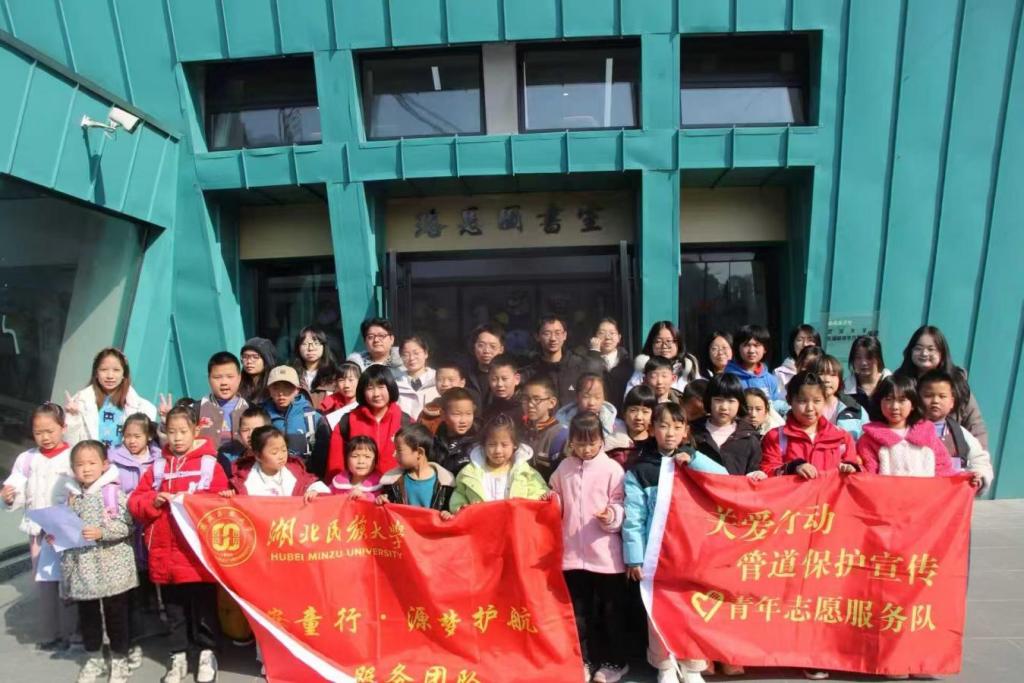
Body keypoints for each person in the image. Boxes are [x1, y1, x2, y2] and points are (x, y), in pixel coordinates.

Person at [623, 403, 725, 683]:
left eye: (677, 427)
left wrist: (694, 458)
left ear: (686, 431)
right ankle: (665, 665)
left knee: (692, 610)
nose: (670, 433)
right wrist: (634, 557)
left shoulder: (694, 462)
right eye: (663, 426)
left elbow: (725, 479)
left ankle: (692, 666)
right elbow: (634, 516)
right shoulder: (640, 470)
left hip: (692, 552)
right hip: (657, 554)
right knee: (659, 611)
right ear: (652, 429)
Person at [128, 404, 228, 683]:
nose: (177, 437)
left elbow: (221, 504)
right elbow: (135, 501)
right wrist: (153, 501)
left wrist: (193, 501)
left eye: (183, 431)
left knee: (204, 607)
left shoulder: (209, 464)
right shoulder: (159, 466)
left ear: (196, 430)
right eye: (171, 432)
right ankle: (178, 655)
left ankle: (207, 653)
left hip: (197, 554)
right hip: (165, 553)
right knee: (174, 609)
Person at [547, 412, 628, 683]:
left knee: (609, 613)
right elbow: (555, 499)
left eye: (592, 442)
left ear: (602, 440)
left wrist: (611, 515)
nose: (586, 449)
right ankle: (583, 660)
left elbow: (621, 503)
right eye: (580, 443)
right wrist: (550, 500)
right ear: (571, 442)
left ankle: (615, 661)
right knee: (579, 614)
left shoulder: (612, 469)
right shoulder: (564, 468)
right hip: (571, 555)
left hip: (605, 556)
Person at [58, 441, 138, 683]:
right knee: (88, 617)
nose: (86, 469)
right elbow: (66, 528)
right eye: (80, 464)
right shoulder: (72, 497)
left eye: (92, 463)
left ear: (104, 464)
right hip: (83, 570)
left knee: (117, 616)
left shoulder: (112, 493)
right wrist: (56, 535)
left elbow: (128, 526)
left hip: (114, 569)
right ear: (73, 468)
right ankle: (94, 658)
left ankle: (120, 659)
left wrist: (102, 532)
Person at [1, 403, 77, 650]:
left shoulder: (74, 456)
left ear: (63, 427)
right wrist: (9, 497)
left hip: (65, 532)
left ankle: (72, 633)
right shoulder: (27, 459)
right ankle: (49, 634)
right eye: (38, 432)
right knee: (45, 583)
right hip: (38, 533)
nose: (45, 437)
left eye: (50, 431)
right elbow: (16, 488)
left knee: (69, 582)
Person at [108, 412, 161, 655]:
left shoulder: (159, 459)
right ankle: (136, 629)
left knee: (152, 574)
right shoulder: (113, 459)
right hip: (127, 525)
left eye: (137, 436)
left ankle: (156, 622)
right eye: (127, 436)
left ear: (149, 436)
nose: (131, 441)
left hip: (151, 524)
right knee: (133, 577)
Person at [894, 325, 988, 447]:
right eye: (918, 348)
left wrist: (981, 455)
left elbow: (974, 423)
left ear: (941, 353)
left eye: (931, 349)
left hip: (949, 449)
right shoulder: (899, 382)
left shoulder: (957, 383)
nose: (924, 353)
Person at [760, 372, 859, 479]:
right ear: (789, 400)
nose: (810, 408)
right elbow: (767, 472)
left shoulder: (841, 437)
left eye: (817, 401)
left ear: (824, 400)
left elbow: (855, 476)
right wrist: (792, 468)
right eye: (802, 401)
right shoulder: (776, 437)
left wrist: (851, 468)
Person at [856, 375, 957, 478]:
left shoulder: (927, 434)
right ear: (879, 402)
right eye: (888, 399)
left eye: (902, 400)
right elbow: (868, 476)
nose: (895, 407)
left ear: (913, 404)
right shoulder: (869, 439)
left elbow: (944, 471)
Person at [447, 415, 548, 514]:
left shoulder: (526, 473)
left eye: (504, 445)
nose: (498, 450)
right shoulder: (469, 473)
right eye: (492, 445)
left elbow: (539, 493)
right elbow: (459, 494)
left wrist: (528, 506)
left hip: (515, 523)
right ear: (484, 445)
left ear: (514, 445)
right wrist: (461, 507)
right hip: (481, 524)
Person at [325, 365, 412, 478]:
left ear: (390, 387)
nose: (376, 394)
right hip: (357, 487)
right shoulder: (347, 421)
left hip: (397, 485)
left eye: (381, 387)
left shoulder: (406, 421)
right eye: (370, 388)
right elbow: (335, 465)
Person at [919, 370, 995, 494]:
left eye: (942, 396)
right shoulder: (907, 430)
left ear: (952, 402)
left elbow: (980, 460)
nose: (935, 401)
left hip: (949, 499)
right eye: (928, 395)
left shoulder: (959, 434)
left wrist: (979, 477)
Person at [64, 348, 157, 448]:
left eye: (116, 370)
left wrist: (165, 422)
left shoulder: (143, 408)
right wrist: (72, 418)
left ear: (124, 374)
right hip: (90, 457)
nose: (110, 376)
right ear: (96, 373)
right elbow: (70, 444)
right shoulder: (80, 401)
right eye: (104, 370)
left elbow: (150, 446)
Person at [159, 352, 249, 448]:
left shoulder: (250, 409)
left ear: (239, 378)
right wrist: (167, 422)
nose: (224, 382)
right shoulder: (194, 410)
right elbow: (171, 446)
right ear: (209, 379)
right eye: (217, 377)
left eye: (230, 377)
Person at [261, 366, 331, 478]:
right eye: (276, 388)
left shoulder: (313, 417)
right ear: (269, 390)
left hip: (305, 478)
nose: (281, 393)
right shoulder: (261, 416)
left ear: (297, 390)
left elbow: (322, 456)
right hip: (269, 477)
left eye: (287, 388)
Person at [690, 374, 764, 478]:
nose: (724, 407)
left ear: (739, 403)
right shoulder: (691, 432)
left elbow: (753, 472)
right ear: (709, 401)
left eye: (731, 401)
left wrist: (758, 474)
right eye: (718, 400)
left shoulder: (749, 438)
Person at [224, 426, 329, 499]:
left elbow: (315, 485)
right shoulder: (244, 479)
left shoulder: (295, 472)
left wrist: (315, 492)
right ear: (258, 456)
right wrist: (229, 495)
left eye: (284, 450)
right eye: (274, 452)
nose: (281, 456)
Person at [524, 315, 604, 407]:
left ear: (565, 335)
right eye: (547, 333)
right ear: (537, 336)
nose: (553, 338)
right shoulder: (530, 373)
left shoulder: (581, 367)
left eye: (557, 333)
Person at [378, 424, 454, 511]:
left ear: (419, 452)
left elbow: (450, 509)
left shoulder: (446, 484)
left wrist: (447, 513)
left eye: (399, 450)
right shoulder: (393, 482)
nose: (394, 455)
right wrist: (382, 500)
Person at [554, 373, 632, 451]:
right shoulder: (560, 426)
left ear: (604, 397)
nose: (591, 403)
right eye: (586, 397)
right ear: (577, 397)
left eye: (597, 397)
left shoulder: (617, 427)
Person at [624, 321, 700, 397]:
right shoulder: (643, 368)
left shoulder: (688, 367)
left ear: (678, 343)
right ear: (651, 343)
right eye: (658, 341)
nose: (664, 346)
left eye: (669, 341)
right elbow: (630, 397)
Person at [520, 376, 568, 481]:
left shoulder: (561, 437)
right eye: (526, 399)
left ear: (552, 403)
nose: (530, 404)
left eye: (537, 399)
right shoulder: (518, 432)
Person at [725, 324, 784, 404]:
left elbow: (777, 405)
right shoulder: (727, 377)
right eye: (746, 345)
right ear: (738, 348)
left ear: (765, 349)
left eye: (756, 345)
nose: (751, 350)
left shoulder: (770, 380)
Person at [813, 355, 869, 440]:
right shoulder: (804, 408)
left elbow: (867, 441)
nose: (827, 379)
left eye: (833, 375)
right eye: (821, 374)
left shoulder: (855, 409)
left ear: (839, 379)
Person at [432, 388, 480, 476]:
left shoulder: (479, 442)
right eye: (457, 414)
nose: (463, 420)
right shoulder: (435, 442)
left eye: (468, 414)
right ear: (443, 415)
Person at [588, 317, 633, 410]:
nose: (608, 337)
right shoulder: (585, 361)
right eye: (602, 333)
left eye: (612, 333)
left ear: (619, 338)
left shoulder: (629, 363)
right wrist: (594, 354)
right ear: (594, 337)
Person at [608, 386, 658, 470]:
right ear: (624, 412)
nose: (638, 417)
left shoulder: (656, 446)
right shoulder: (612, 444)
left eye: (645, 412)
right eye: (633, 410)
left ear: (653, 415)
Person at [291, 325, 339, 410]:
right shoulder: (291, 375)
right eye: (305, 344)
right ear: (298, 347)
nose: (311, 348)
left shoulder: (335, 376)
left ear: (324, 346)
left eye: (316, 343)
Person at [216, 406, 270, 480]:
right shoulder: (233, 464)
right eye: (245, 430)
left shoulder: (278, 459)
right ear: (239, 433)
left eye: (257, 429)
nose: (250, 435)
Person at [395, 335, 440, 420]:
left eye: (416, 353)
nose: (411, 358)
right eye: (406, 354)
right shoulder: (396, 384)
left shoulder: (438, 380)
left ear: (426, 353)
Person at [417, 360, 466, 434]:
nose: (445, 384)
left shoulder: (469, 408)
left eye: (451, 380)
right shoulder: (429, 409)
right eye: (440, 379)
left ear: (462, 383)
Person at [463, 324, 505, 407]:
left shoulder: (509, 378)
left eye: (492, 346)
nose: (486, 351)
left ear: (501, 350)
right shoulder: (464, 376)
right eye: (481, 345)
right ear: (474, 347)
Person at [329, 436, 384, 500]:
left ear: (375, 461)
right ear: (346, 460)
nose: (361, 461)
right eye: (355, 456)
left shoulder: (382, 486)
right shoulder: (337, 483)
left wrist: (364, 497)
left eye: (367, 456)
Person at [845, 335, 890, 410]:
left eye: (869, 357)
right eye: (858, 357)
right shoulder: (844, 389)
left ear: (878, 359)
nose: (864, 363)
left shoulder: (892, 386)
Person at [483, 353, 523, 423]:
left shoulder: (526, 408)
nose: (499, 384)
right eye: (494, 379)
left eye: (504, 379)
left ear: (517, 379)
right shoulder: (488, 409)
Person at [238, 337, 277, 405]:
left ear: (267, 360)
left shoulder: (276, 384)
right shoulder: (236, 384)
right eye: (245, 356)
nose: (249, 361)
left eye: (255, 357)